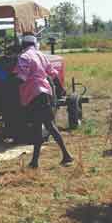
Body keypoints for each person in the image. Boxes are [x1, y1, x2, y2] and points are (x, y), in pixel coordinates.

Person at [13, 34, 73, 169]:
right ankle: (35, 162)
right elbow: (53, 74)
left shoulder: (24, 57)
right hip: (45, 93)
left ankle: (66, 155)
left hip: (34, 95)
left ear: (22, 46)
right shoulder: (41, 55)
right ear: (34, 45)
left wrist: (7, 84)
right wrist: (61, 89)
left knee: (47, 126)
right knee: (41, 127)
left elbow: (22, 78)